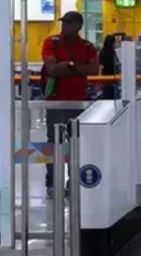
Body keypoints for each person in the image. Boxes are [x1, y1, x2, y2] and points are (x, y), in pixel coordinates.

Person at [41, 11, 99, 198]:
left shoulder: (87, 46)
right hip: (55, 103)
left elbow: (94, 70)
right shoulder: (52, 43)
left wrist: (70, 65)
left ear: (78, 26)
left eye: (69, 23)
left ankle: (73, 183)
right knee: (54, 145)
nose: (64, 26)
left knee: (76, 144)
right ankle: (52, 184)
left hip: (78, 103)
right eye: (63, 22)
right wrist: (79, 69)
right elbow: (52, 69)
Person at [98, 34, 119, 100]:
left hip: (105, 79)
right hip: (113, 79)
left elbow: (101, 66)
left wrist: (99, 79)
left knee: (106, 97)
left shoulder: (102, 52)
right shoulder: (114, 53)